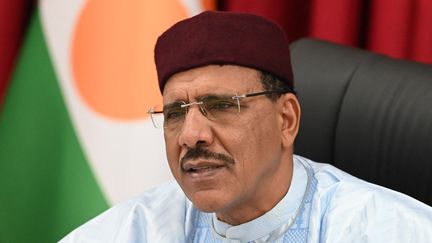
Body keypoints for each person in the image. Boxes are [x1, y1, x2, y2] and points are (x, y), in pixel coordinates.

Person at [60, 11, 432, 242]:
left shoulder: (385, 229)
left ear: (286, 120)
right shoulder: (140, 228)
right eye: (175, 112)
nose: (191, 135)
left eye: (221, 105)